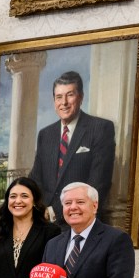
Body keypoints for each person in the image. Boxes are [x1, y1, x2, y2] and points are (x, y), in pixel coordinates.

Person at [29, 71, 115, 229]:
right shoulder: (45, 134)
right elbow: (35, 178)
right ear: (54, 100)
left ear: (81, 97)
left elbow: (98, 185)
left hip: (81, 225)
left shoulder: (101, 129)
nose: (64, 102)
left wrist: (53, 212)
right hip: (44, 227)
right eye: (59, 97)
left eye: (70, 95)